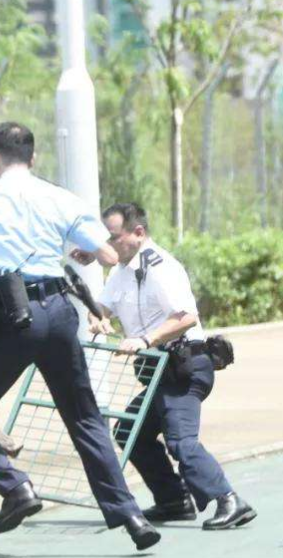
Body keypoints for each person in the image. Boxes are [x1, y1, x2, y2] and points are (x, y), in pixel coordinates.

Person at [0, 121, 160, 551]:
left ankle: (16, 487)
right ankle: (131, 516)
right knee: (84, 417)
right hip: (61, 312)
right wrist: (77, 249)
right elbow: (108, 253)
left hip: (14, 318)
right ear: (33, 157)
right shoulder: (58, 196)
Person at [80, 202, 255, 530]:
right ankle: (173, 500)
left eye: (114, 237)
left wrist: (145, 340)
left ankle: (229, 499)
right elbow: (102, 307)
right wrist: (97, 320)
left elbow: (187, 317)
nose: (110, 245)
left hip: (185, 366)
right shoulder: (122, 272)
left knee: (180, 440)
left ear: (138, 233)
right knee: (131, 431)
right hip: (161, 373)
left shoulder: (162, 268)